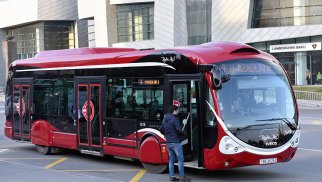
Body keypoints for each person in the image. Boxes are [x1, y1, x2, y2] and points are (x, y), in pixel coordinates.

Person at [161, 105, 191, 181]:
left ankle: (172, 176)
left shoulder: (164, 118)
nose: (178, 112)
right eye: (177, 110)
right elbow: (179, 130)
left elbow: (161, 129)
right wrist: (182, 134)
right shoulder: (175, 119)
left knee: (171, 160)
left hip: (168, 142)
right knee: (180, 159)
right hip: (175, 142)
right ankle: (182, 176)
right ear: (174, 111)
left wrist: (166, 135)